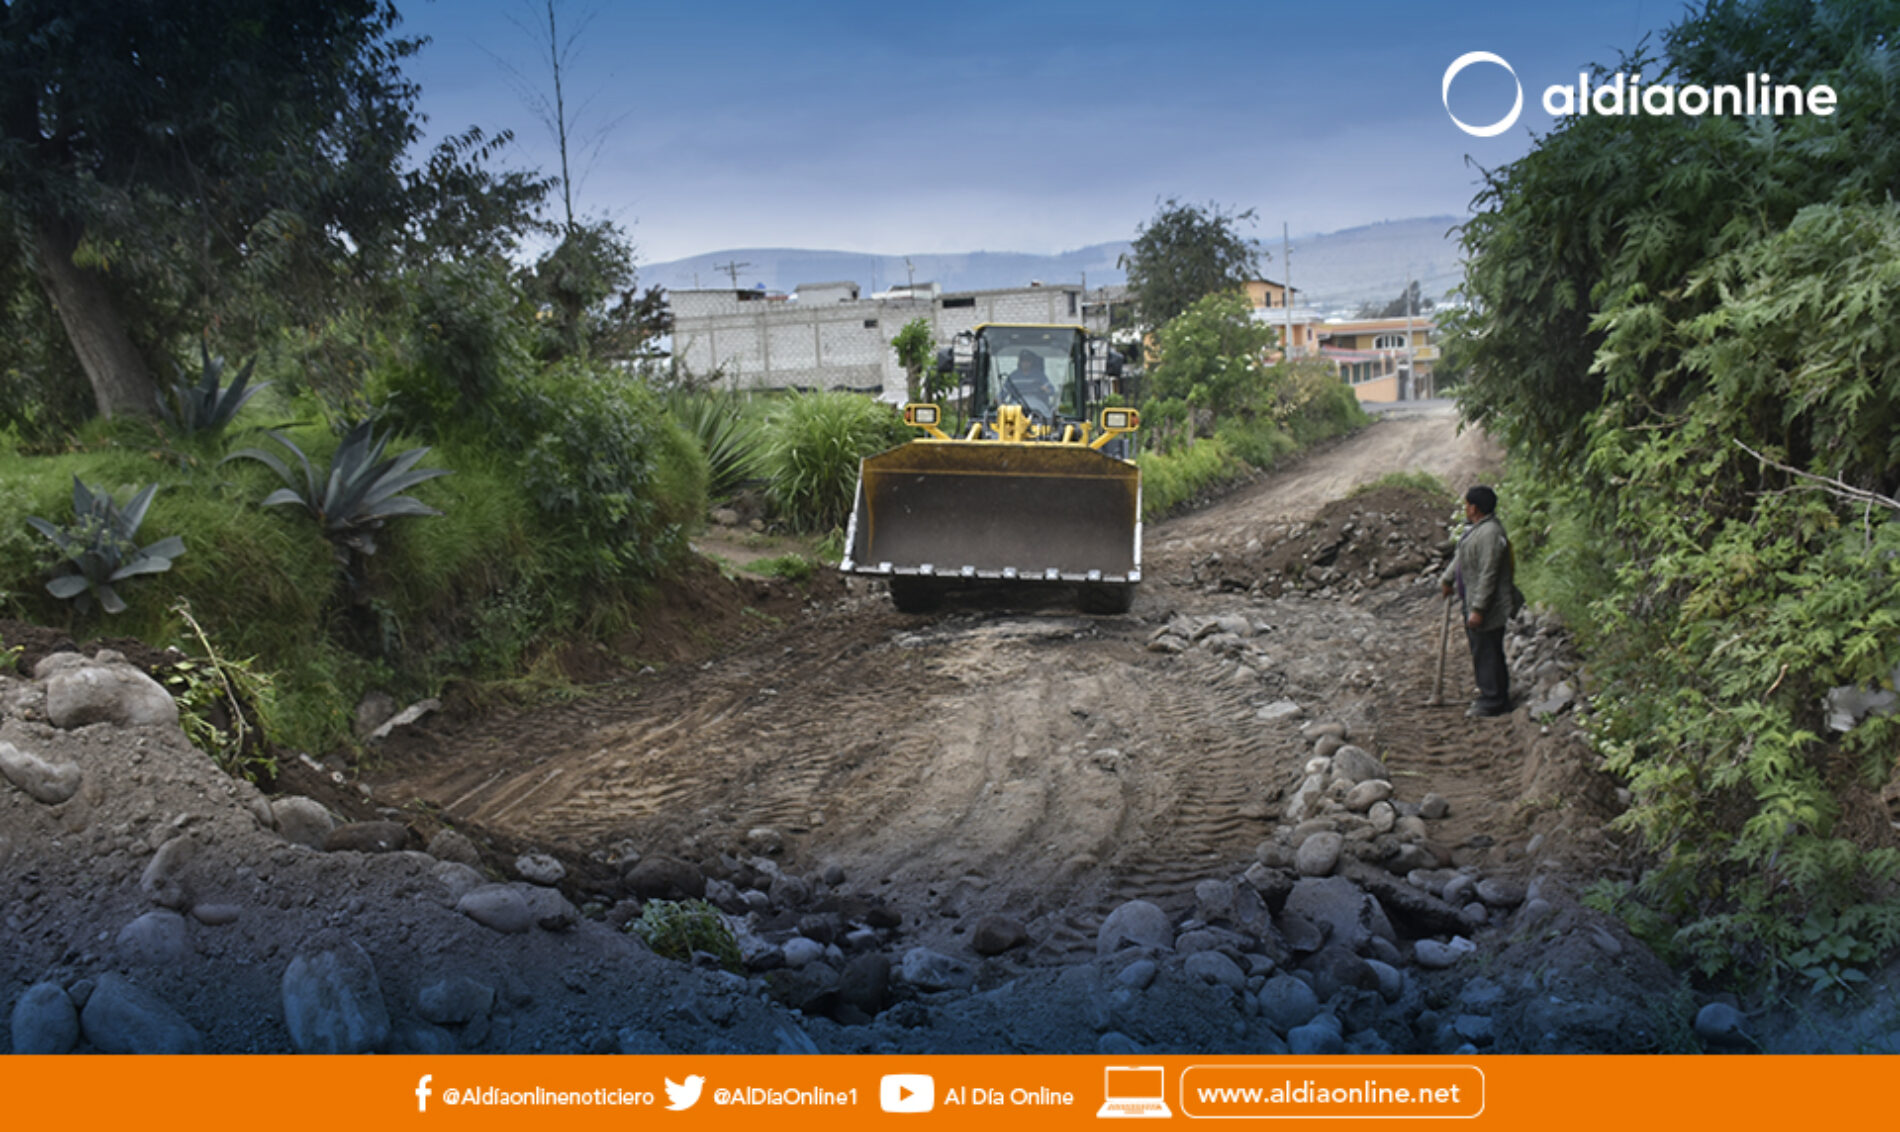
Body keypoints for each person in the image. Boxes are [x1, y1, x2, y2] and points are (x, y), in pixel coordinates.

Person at [1440, 484, 1515, 718]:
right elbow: (1461, 556)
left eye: (1466, 504)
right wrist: (1447, 579)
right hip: (1472, 599)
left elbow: (1489, 573)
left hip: (1487, 605)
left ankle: (1493, 700)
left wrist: (1479, 608)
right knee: (1481, 648)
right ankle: (1492, 692)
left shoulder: (1491, 533)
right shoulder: (1476, 530)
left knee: (1487, 649)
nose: (1465, 508)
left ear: (1474, 507)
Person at [1004, 349, 1057, 415]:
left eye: (1028, 360)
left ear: (1031, 362)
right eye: (1023, 361)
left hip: (1039, 409)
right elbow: (1003, 393)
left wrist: (1045, 389)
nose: (1025, 363)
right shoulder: (1013, 377)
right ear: (1020, 362)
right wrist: (997, 400)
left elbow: (1052, 391)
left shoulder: (1039, 376)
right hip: (1016, 408)